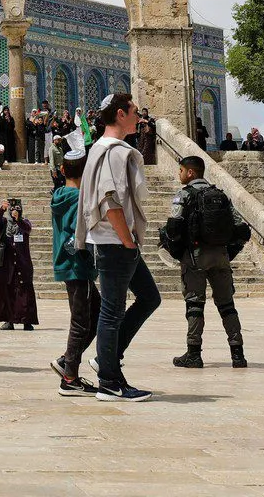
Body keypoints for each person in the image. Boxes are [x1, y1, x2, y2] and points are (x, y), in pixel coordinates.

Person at [75, 93, 160, 402]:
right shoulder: (112, 152)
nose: (140, 118)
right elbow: (110, 200)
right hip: (115, 241)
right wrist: (127, 239)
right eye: (135, 112)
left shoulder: (103, 148)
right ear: (121, 114)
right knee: (112, 310)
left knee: (150, 297)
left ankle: (107, 358)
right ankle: (109, 381)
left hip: (116, 241)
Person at [162, 156, 249, 369]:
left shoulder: (184, 195)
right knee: (227, 305)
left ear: (190, 172)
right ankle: (237, 354)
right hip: (220, 255)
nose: (179, 174)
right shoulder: (221, 195)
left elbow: (173, 228)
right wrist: (229, 252)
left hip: (195, 257)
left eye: (181, 170)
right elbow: (241, 228)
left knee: (194, 305)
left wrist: (172, 247)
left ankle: (194, 353)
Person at [49, 150, 99, 395]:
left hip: (67, 265)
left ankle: (65, 361)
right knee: (81, 321)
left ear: (61, 171)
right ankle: (69, 377)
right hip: (79, 266)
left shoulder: (59, 195)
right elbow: (75, 235)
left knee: (97, 313)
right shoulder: (79, 199)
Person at [0, 200, 38, 331]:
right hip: (6, 265)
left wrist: (18, 220)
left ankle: (27, 321)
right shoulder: (4, 223)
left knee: (25, 294)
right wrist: (1, 208)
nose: (14, 211)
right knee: (7, 292)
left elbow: (27, 229)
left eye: (17, 209)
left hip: (23, 264)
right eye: (12, 209)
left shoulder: (24, 223)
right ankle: (9, 321)